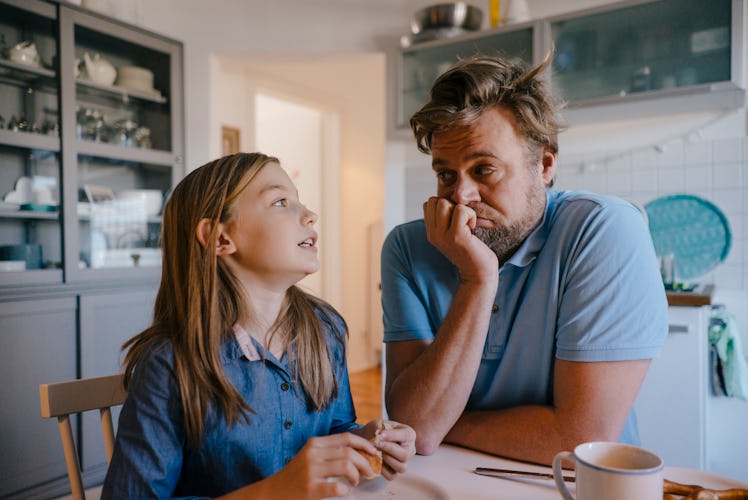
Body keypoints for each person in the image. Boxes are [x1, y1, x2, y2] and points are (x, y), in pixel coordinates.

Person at [381, 54, 668, 465]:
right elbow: (412, 424)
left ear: (545, 165)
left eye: (484, 169)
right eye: (445, 174)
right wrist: (476, 281)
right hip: (448, 476)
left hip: (572, 486)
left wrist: (440, 424)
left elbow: (580, 439)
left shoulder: (604, 229)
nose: (461, 196)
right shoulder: (407, 247)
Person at [103, 153, 415, 498]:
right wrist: (273, 492)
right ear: (220, 239)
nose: (310, 215)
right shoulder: (168, 365)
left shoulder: (325, 329)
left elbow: (336, 427)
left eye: (299, 200)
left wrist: (366, 439)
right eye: (281, 201)